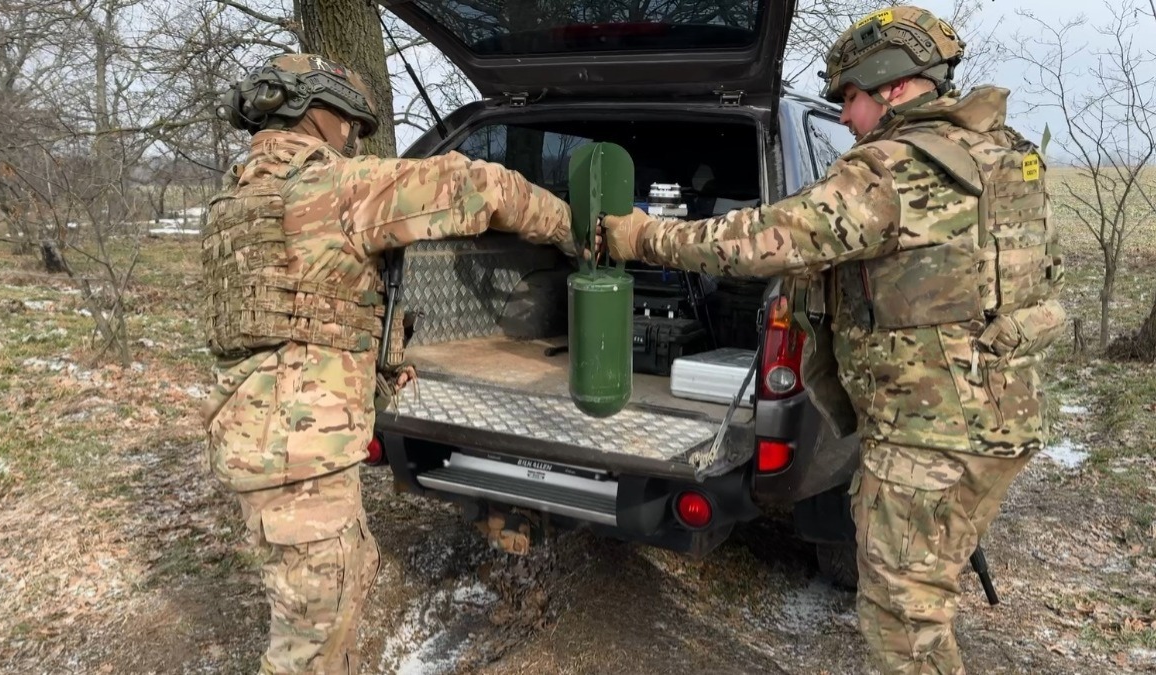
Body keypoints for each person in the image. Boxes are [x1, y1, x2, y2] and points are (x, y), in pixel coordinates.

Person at [601, 7, 1067, 673]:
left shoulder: (889, 169)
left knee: (902, 623)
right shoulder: (1007, 155)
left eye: (850, 97)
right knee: (925, 594)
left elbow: (762, 240)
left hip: (930, 435)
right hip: (1002, 416)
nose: (844, 116)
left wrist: (643, 235)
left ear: (894, 86)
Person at [200, 53, 575, 674]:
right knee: (311, 643)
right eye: (347, 122)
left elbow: (299, 314)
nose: (352, 137)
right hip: (300, 456)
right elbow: (480, 187)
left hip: (266, 438)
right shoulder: (335, 188)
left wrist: (377, 358)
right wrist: (577, 228)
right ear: (313, 112)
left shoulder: (238, 200)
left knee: (336, 593)